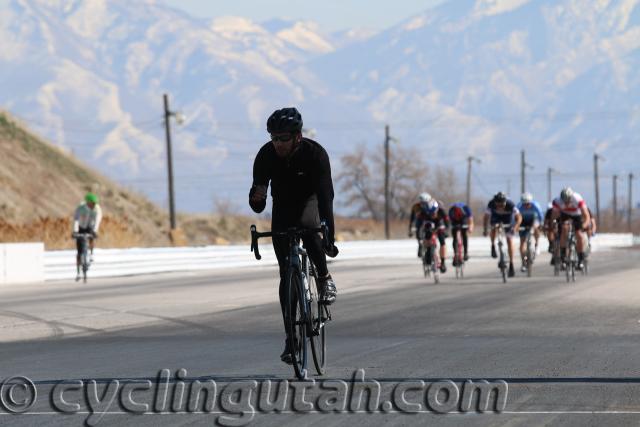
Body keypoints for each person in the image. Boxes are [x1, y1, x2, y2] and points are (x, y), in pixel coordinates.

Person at [249, 107, 339, 365]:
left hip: (310, 199)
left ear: (297, 137)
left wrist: (329, 234)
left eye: (283, 138)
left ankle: (323, 277)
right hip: (283, 204)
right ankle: (291, 338)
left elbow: (326, 197)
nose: (277, 143)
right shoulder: (266, 155)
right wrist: (256, 198)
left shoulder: (315, 154)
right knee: (285, 272)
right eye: (273, 138)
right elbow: (258, 200)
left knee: (308, 227)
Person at [483, 192, 522, 278]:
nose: (500, 207)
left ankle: (511, 264)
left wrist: (516, 227)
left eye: (502, 205)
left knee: (509, 240)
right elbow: (486, 217)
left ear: (505, 202)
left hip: (507, 219)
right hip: (496, 217)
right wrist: (485, 229)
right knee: (493, 228)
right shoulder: (491, 204)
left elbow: (519, 217)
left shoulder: (510, 204)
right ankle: (493, 245)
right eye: (498, 205)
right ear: (495, 202)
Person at [551, 187, 591, 270]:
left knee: (579, 235)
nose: (566, 202)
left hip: (577, 215)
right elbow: (554, 215)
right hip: (565, 214)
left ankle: (580, 259)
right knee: (564, 228)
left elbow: (586, 216)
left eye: (568, 200)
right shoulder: (557, 201)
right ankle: (563, 257)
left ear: (571, 197)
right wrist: (554, 224)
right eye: (564, 201)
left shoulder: (577, 199)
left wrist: (584, 225)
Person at [410, 196, 449, 273]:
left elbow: (447, 223)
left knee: (442, 241)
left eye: (435, 213)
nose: (433, 215)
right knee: (427, 235)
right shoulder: (423, 213)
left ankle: (443, 262)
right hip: (428, 223)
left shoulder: (441, 211)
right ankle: (427, 253)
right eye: (431, 213)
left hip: (439, 223)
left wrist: (446, 230)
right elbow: (419, 226)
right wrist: (420, 238)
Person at [72, 192, 102, 281]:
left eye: (94, 204)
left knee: (92, 237)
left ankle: (92, 254)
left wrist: (95, 231)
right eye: (92, 203)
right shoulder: (80, 208)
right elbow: (76, 220)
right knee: (79, 252)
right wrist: (75, 231)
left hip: (91, 227)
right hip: (81, 227)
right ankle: (78, 273)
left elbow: (98, 220)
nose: (93, 205)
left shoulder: (97, 209)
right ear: (87, 202)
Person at [516, 192, 544, 272]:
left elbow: (540, 216)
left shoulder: (536, 205)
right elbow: (514, 217)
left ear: (531, 202)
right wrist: (516, 226)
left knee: (536, 227)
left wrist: (541, 225)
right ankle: (523, 262)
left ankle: (537, 244)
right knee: (522, 242)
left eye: (528, 204)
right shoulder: (519, 206)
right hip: (523, 221)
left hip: (533, 220)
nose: (526, 206)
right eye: (524, 204)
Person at [408, 193, 432, 258]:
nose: (423, 204)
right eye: (422, 203)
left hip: (429, 221)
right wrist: (410, 229)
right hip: (420, 221)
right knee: (419, 230)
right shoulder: (415, 207)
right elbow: (412, 219)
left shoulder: (432, 205)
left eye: (425, 203)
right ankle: (420, 244)